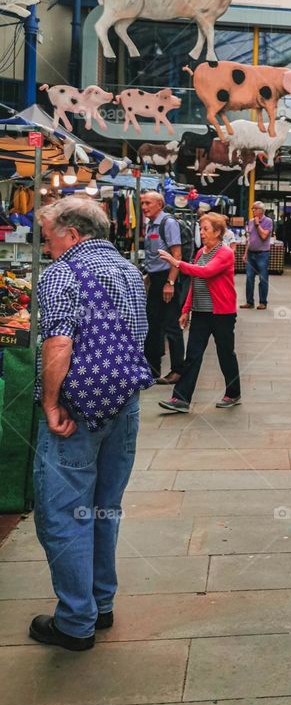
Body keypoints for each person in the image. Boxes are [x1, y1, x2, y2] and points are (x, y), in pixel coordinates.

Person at [30, 197, 152, 650]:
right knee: (103, 507)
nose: (47, 244)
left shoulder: (62, 273)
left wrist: (50, 402)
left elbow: (59, 342)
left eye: (49, 235)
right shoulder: (127, 270)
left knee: (64, 512)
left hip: (78, 408)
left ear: (72, 233)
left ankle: (75, 621)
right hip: (124, 403)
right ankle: (101, 603)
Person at [156, 211, 241, 413]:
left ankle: (233, 392)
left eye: (206, 229)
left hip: (222, 314)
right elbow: (196, 282)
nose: (201, 233)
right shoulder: (200, 252)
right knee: (193, 355)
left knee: (225, 354)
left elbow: (206, 272)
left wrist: (177, 263)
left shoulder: (225, 253)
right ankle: (181, 399)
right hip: (201, 313)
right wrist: (186, 310)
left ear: (218, 232)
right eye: (200, 229)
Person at [140, 190, 184, 384]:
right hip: (156, 279)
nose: (144, 207)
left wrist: (170, 282)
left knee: (171, 325)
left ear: (159, 204)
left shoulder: (168, 223)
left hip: (168, 279)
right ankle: (153, 369)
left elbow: (177, 255)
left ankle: (177, 370)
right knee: (153, 323)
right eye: (142, 204)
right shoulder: (151, 225)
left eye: (148, 203)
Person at [243, 201, 273, 310]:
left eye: (255, 208)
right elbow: (249, 239)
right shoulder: (250, 222)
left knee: (263, 278)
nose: (253, 210)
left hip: (262, 254)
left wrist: (257, 224)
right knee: (249, 278)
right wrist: (245, 253)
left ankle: (263, 302)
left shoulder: (268, 221)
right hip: (251, 253)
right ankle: (249, 301)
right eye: (252, 209)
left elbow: (264, 236)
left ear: (261, 210)